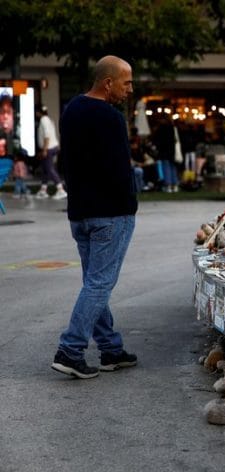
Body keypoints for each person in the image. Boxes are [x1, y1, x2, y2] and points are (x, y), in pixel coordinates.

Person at [51, 55, 138, 379]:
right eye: (127, 83)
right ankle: (70, 349)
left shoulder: (71, 109)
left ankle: (111, 348)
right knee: (100, 284)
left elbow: (67, 162)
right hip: (110, 213)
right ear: (108, 83)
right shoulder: (111, 117)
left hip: (80, 212)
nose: (130, 89)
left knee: (94, 282)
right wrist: (130, 203)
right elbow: (120, 167)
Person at [35, 105, 68, 200]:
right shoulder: (48, 119)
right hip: (52, 147)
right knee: (45, 169)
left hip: (48, 148)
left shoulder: (43, 120)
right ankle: (43, 190)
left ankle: (60, 189)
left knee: (49, 169)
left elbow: (47, 135)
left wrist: (45, 149)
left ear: (38, 112)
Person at [151, 115, 179, 192]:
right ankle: (174, 184)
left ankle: (168, 185)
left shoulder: (161, 128)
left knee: (166, 168)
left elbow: (157, 140)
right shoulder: (172, 128)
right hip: (172, 151)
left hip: (164, 151)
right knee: (172, 167)